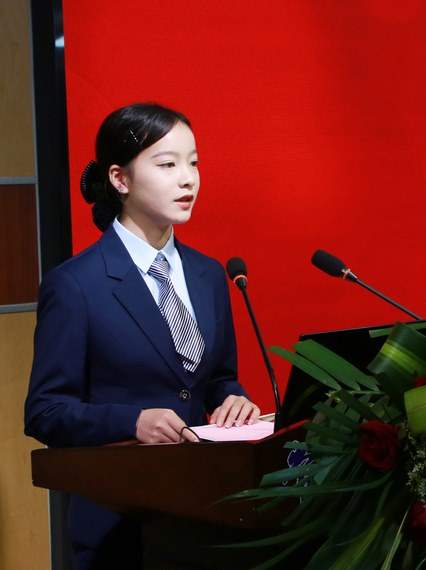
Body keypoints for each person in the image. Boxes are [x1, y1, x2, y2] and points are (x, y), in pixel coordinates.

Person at [24, 102, 261, 569]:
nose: (188, 179)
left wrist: (234, 400)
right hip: (118, 526)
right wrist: (132, 422)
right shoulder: (75, 285)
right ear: (120, 179)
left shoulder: (210, 275)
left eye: (194, 163)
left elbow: (217, 380)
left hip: (204, 514)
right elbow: (45, 411)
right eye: (168, 165)